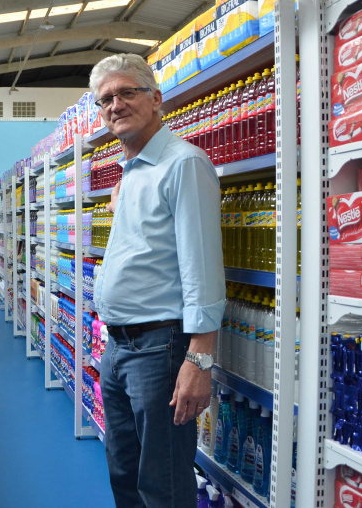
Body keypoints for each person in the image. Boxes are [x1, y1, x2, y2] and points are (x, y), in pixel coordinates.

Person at [90, 53, 224, 508]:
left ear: (156, 99)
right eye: (106, 98)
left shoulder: (183, 164)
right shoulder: (128, 172)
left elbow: (202, 266)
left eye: (128, 92)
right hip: (119, 348)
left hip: (161, 349)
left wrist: (199, 360)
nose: (116, 105)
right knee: (125, 475)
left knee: (162, 484)